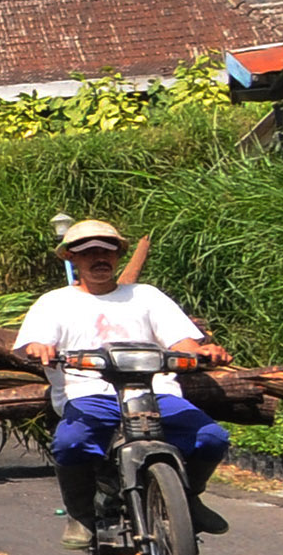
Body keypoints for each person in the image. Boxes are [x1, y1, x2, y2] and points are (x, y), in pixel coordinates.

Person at [13, 218, 230, 538]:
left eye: (107, 250)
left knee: (212, 438)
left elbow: (181, 342)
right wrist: (39, 348)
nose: (99, 258)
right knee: (69, 443)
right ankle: (81, 515)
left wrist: (203, 351)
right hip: (89, 394)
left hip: (155, 392)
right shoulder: (54, 303)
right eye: (88, 252)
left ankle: (189, 497)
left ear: (118, 255)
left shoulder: (146, 296)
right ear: (71, 258)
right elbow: (32, 345)